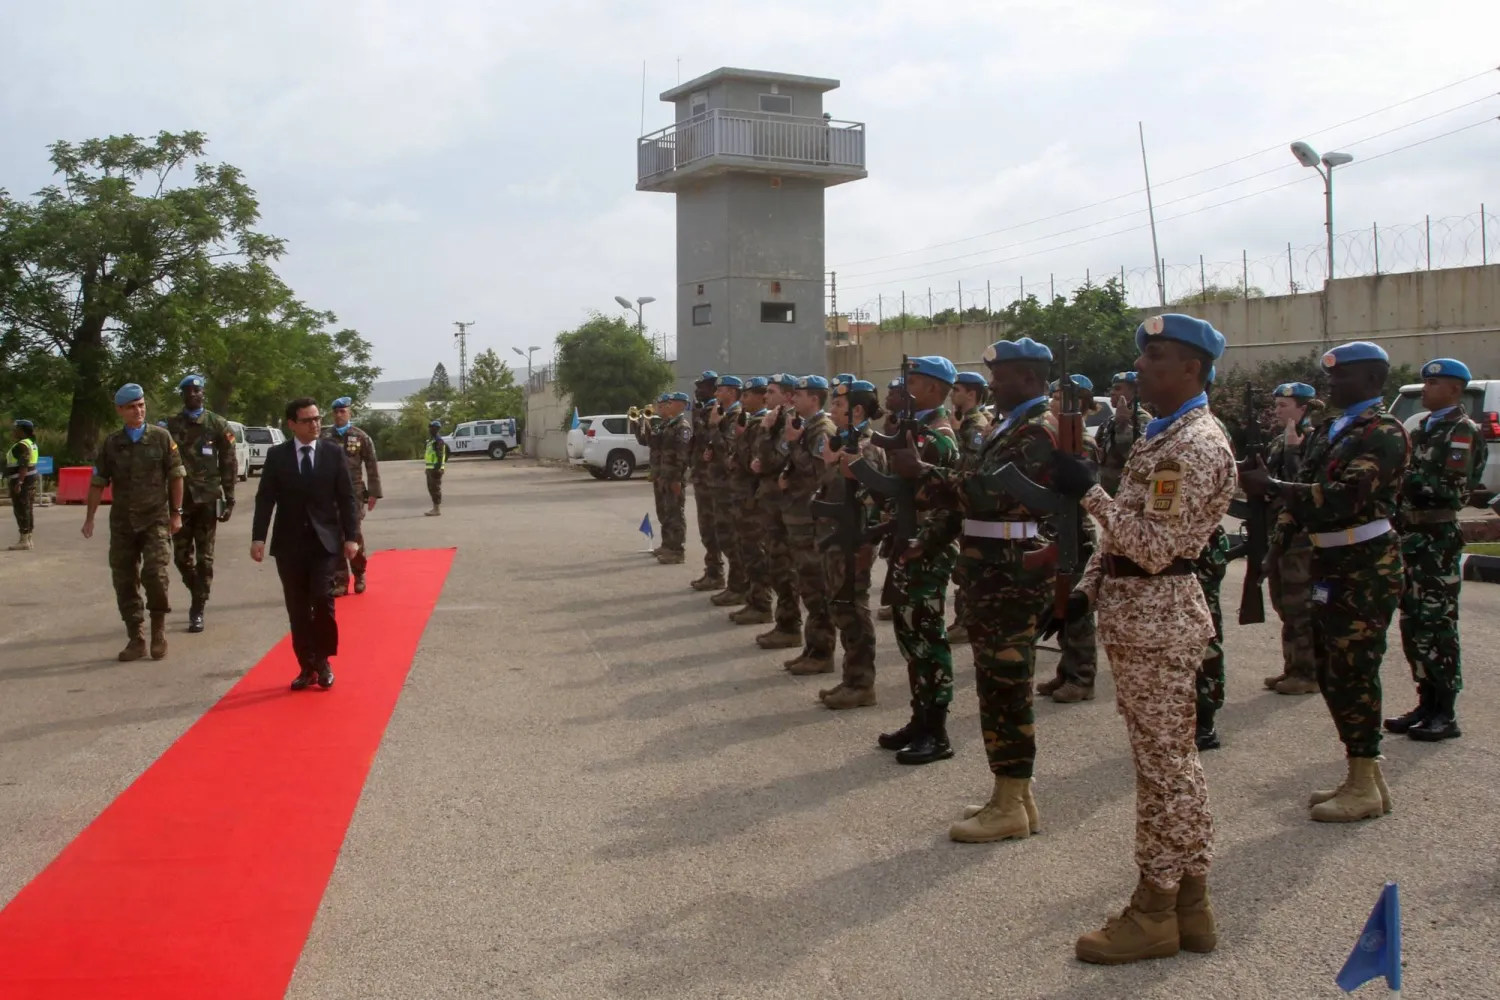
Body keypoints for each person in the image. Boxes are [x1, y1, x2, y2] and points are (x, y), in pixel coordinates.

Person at [1052, 314, 1234, 965]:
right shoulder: (1165, 437)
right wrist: (1084, 590)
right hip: (1139, 618)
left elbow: (1153, 546)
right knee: (1166, 765)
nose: (1142, 369)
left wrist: (1089, 493)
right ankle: (1189, 907)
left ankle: (1157, 906)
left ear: (1193, 368)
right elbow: (1127, 535)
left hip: (1158, 620)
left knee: (1167, 771)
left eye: (1157, 357)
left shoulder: (1193, 446)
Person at [897, 337, 1058, 842]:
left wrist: (922, 474)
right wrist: (933, 534)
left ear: (1029, 378)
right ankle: (1014, 794)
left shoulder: (1042, 430)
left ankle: (1009, 801)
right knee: (999, 685)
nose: (991, 385)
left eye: (1001, 376)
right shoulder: (1012, 425)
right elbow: (974, 483)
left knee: (1006, 686)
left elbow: (991, 492)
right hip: (991, 570)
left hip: (1013, 570)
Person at [1241, 341, 1410, 824]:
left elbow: (1345, 496)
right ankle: (1364, 777)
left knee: (1355, 670)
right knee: (1334, 672)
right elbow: (1302, 499)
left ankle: (1363, 781)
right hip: (1329, 562)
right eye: (1331, 377)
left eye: (1343, 378)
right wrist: (1274, 548)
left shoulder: (1383, 432)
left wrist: (1273, 488)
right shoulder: (1329, 431)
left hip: (1366, 564)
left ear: (1374, 382)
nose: (1332, 385)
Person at [1387, 357, 1487, 742]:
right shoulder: (1425, 428)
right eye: (1425, 383)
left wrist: (1398, 475)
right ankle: (1425, 702)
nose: (1425, 389)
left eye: (1433, 384)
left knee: (1437, 625)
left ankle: (1445, 711)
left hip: (1436, 540)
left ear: (1455, 390)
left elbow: (1448, 488)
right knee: (1413, 624)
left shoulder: (1461, 432)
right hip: (1410, 538)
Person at [875, 355, 961, 766]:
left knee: (928, 638)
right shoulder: (916, 430)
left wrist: (924, 543)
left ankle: (936, 730)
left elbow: (948, 505)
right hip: (910, 544)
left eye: (912, 380)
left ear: (932, 388)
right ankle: (919, 719)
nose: (903, 387)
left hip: (928, 548)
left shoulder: (938, 437)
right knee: (910, 635)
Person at [251, 397, 361, 691]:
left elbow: (346, 498)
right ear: (291, 425)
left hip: (324, 543)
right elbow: (265, 500)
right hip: (289, 546)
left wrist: (352, 537)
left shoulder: (332, 453)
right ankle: (306, 666)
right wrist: (258, 537)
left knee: (323, 601)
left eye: (317, 418)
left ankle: (323, 660)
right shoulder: (277, 457)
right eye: (308, 420)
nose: (315, 424)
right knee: (297, 608)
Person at [83, 383, 186, 661]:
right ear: (120, 410)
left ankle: (159, 631)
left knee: (155, 574)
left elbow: (176, 476)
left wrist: (176, 513)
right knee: (125, 580)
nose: (138, 410)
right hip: (123, 523)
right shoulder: (112, 443)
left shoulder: (162, 438)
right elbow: (98, 481)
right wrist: (89, 518)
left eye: (141, 405)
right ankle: (136, 637)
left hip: (155, 519)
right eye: (131, 407)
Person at [814, 379, 884, 708]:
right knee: (840, 608)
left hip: (853, 542)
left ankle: (861, 684)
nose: (833, 410)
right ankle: (850, 678)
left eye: (839, 406)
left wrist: (867, 545)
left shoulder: (867, 447)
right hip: (837, 538)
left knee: (853, 610)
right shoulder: (845, 444)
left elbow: (874, 501)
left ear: (857, 410)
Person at [1036, 374, 1102, 704]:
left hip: (1074, 530)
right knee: (1058, 604)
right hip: (1055, 527)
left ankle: (1082, 677)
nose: (1052, 402)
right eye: (1053, 396)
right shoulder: (1055, 437)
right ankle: (1066, 671)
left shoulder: (1083, 444)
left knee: (1077, 611)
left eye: (1060, 399)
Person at [1261, 383, 1322, 695]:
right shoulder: (1278, 441)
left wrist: (1294, 450)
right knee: (1283, 602)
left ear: (1303, 408)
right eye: (1277, 405)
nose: (1277, 410)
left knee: (1301, 604)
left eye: (1284, 405)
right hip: (1278, 532)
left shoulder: (1314, 441)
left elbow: (1306, 487)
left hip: (1300, 535)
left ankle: (1308, 672)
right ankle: (1292, 666)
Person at [165, 374, 238, 632]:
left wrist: (229, 497)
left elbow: (228, 462)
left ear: (203, 394)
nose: (194, 394)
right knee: (181, 557)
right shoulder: (170, 426)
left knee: (205, 558)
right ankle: (198, 589)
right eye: (189, 391)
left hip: (208, 499)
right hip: (179, 502)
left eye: (198, 390)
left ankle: (198, 607)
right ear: (183, 395)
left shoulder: (217, 424)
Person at [779, 375, 838, 674]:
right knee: (807, 585)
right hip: (800, 517)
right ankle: (812, 648)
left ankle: (822, 653)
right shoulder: (806, 428)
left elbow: (818, 473)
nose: (793, 399)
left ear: (814, 398)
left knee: (816, 587)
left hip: (811, 519)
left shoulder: (821, 430)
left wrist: (792, 446)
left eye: (798, 394)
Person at [753, 373, 805, 649]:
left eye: (771, 392)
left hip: (784, 506)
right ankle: (783, 623)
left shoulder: (789, 423)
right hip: (772, 504)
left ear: (786, 396)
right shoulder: (777, 420)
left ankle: (790, 626)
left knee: (784, 568)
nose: (766, 396)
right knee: (776, 564)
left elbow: (773, 460)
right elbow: (762, 459)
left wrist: (764, 431)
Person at [945, 370, 993, 645]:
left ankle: (967, 621)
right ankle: (963, 619)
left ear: (972, 394)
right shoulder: (966, 423)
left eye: (958, 390)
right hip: (965, 504)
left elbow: (972, 466)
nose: (953, 394)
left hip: (971, 504)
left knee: (969, 566)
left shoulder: (975, 425)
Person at [725, 377, 774, 625]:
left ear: (761, 397)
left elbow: (755, 463)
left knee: (756, 553)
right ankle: (753, 600)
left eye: (747, 396)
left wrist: (739, 447)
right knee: (747, 551)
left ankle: (762, 604)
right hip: (743, 497)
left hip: (753, 499)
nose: (743, 400)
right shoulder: (751, 423)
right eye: (742, 396)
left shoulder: (760, 425)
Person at [322, 396, 383, 596]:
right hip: (330, 494)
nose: (339, 415)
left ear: (349, 413)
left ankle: (359, 573)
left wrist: (374, 493)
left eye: (343, 411)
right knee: (335, 536)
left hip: (354, 493)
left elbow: (371, 465)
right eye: (336, 412)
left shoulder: (360, 436)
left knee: (353, 534)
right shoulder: (324, 437)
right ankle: (340, 580)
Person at [706, 376, 747, 607]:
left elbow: (727, 449)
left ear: (731, 392)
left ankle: (738, 586)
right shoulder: (724, 413)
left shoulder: (735, 416)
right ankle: (735, 585)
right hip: (721, 485)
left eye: (720, 390)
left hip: (730, 487)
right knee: (724, 536)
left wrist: (714, 426)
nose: (716, 393)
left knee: (732, 539)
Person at [688, 371, 726, 591]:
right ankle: (712, 570)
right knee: (706, 527)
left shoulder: (714, 410)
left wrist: (699, 415)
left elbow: (706, 437)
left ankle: (717, 573)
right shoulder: (703, 409)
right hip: (703, 476)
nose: (697, 391)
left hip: (712, 478)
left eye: (701, 387)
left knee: (712, 528)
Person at [875, 377, 907, 623]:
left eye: (892, 394)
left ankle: (900, 599)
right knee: (892, 550)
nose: (887, 399)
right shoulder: (892, 422)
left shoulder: (909, 425)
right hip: (892, 490)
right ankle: (896, 598)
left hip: (905, 496)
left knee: (902, 551)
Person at [654, 392, 693, 564]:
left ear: (682, 405)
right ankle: (668, 545)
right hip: (666, 475)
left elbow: (682, 456)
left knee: (676, 513)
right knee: (667, 512)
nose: (668, 405)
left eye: (672, 403)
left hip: (674, 477)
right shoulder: (669, 425)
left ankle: (677, 551)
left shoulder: (682, 426)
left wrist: (677, 479)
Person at [1097, 371, 1149, 495]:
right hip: (1107, 489)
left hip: (1127, 492)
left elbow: (1134, 457)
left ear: (1134, 392)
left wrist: (1122, 425)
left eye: (1118, 388)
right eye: (1112, 389)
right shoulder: (1110, 421)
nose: (1112, 393)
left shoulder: (1143, 420)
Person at [6, 419, 40, 551]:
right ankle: (28, 538)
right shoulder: (31, 443)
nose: (14, 431)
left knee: (21, 508)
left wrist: (19, 482)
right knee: (27, 508)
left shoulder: (22, 445)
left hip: (22, 480)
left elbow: (24, 464)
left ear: (22, 431)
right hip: (31, 478)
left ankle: (24, 539)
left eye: (16, 429)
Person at [424, 420, 449, 516]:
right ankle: (434, 508)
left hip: (435, 469)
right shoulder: (432, 441)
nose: (430, 429)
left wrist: (438, 467)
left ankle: (437, 509)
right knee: (431, 489)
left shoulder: (439, 441)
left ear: (437, 429)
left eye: (432, 427)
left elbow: (441, 455)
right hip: (430, 468)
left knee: (435, 489)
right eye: (430, 427)